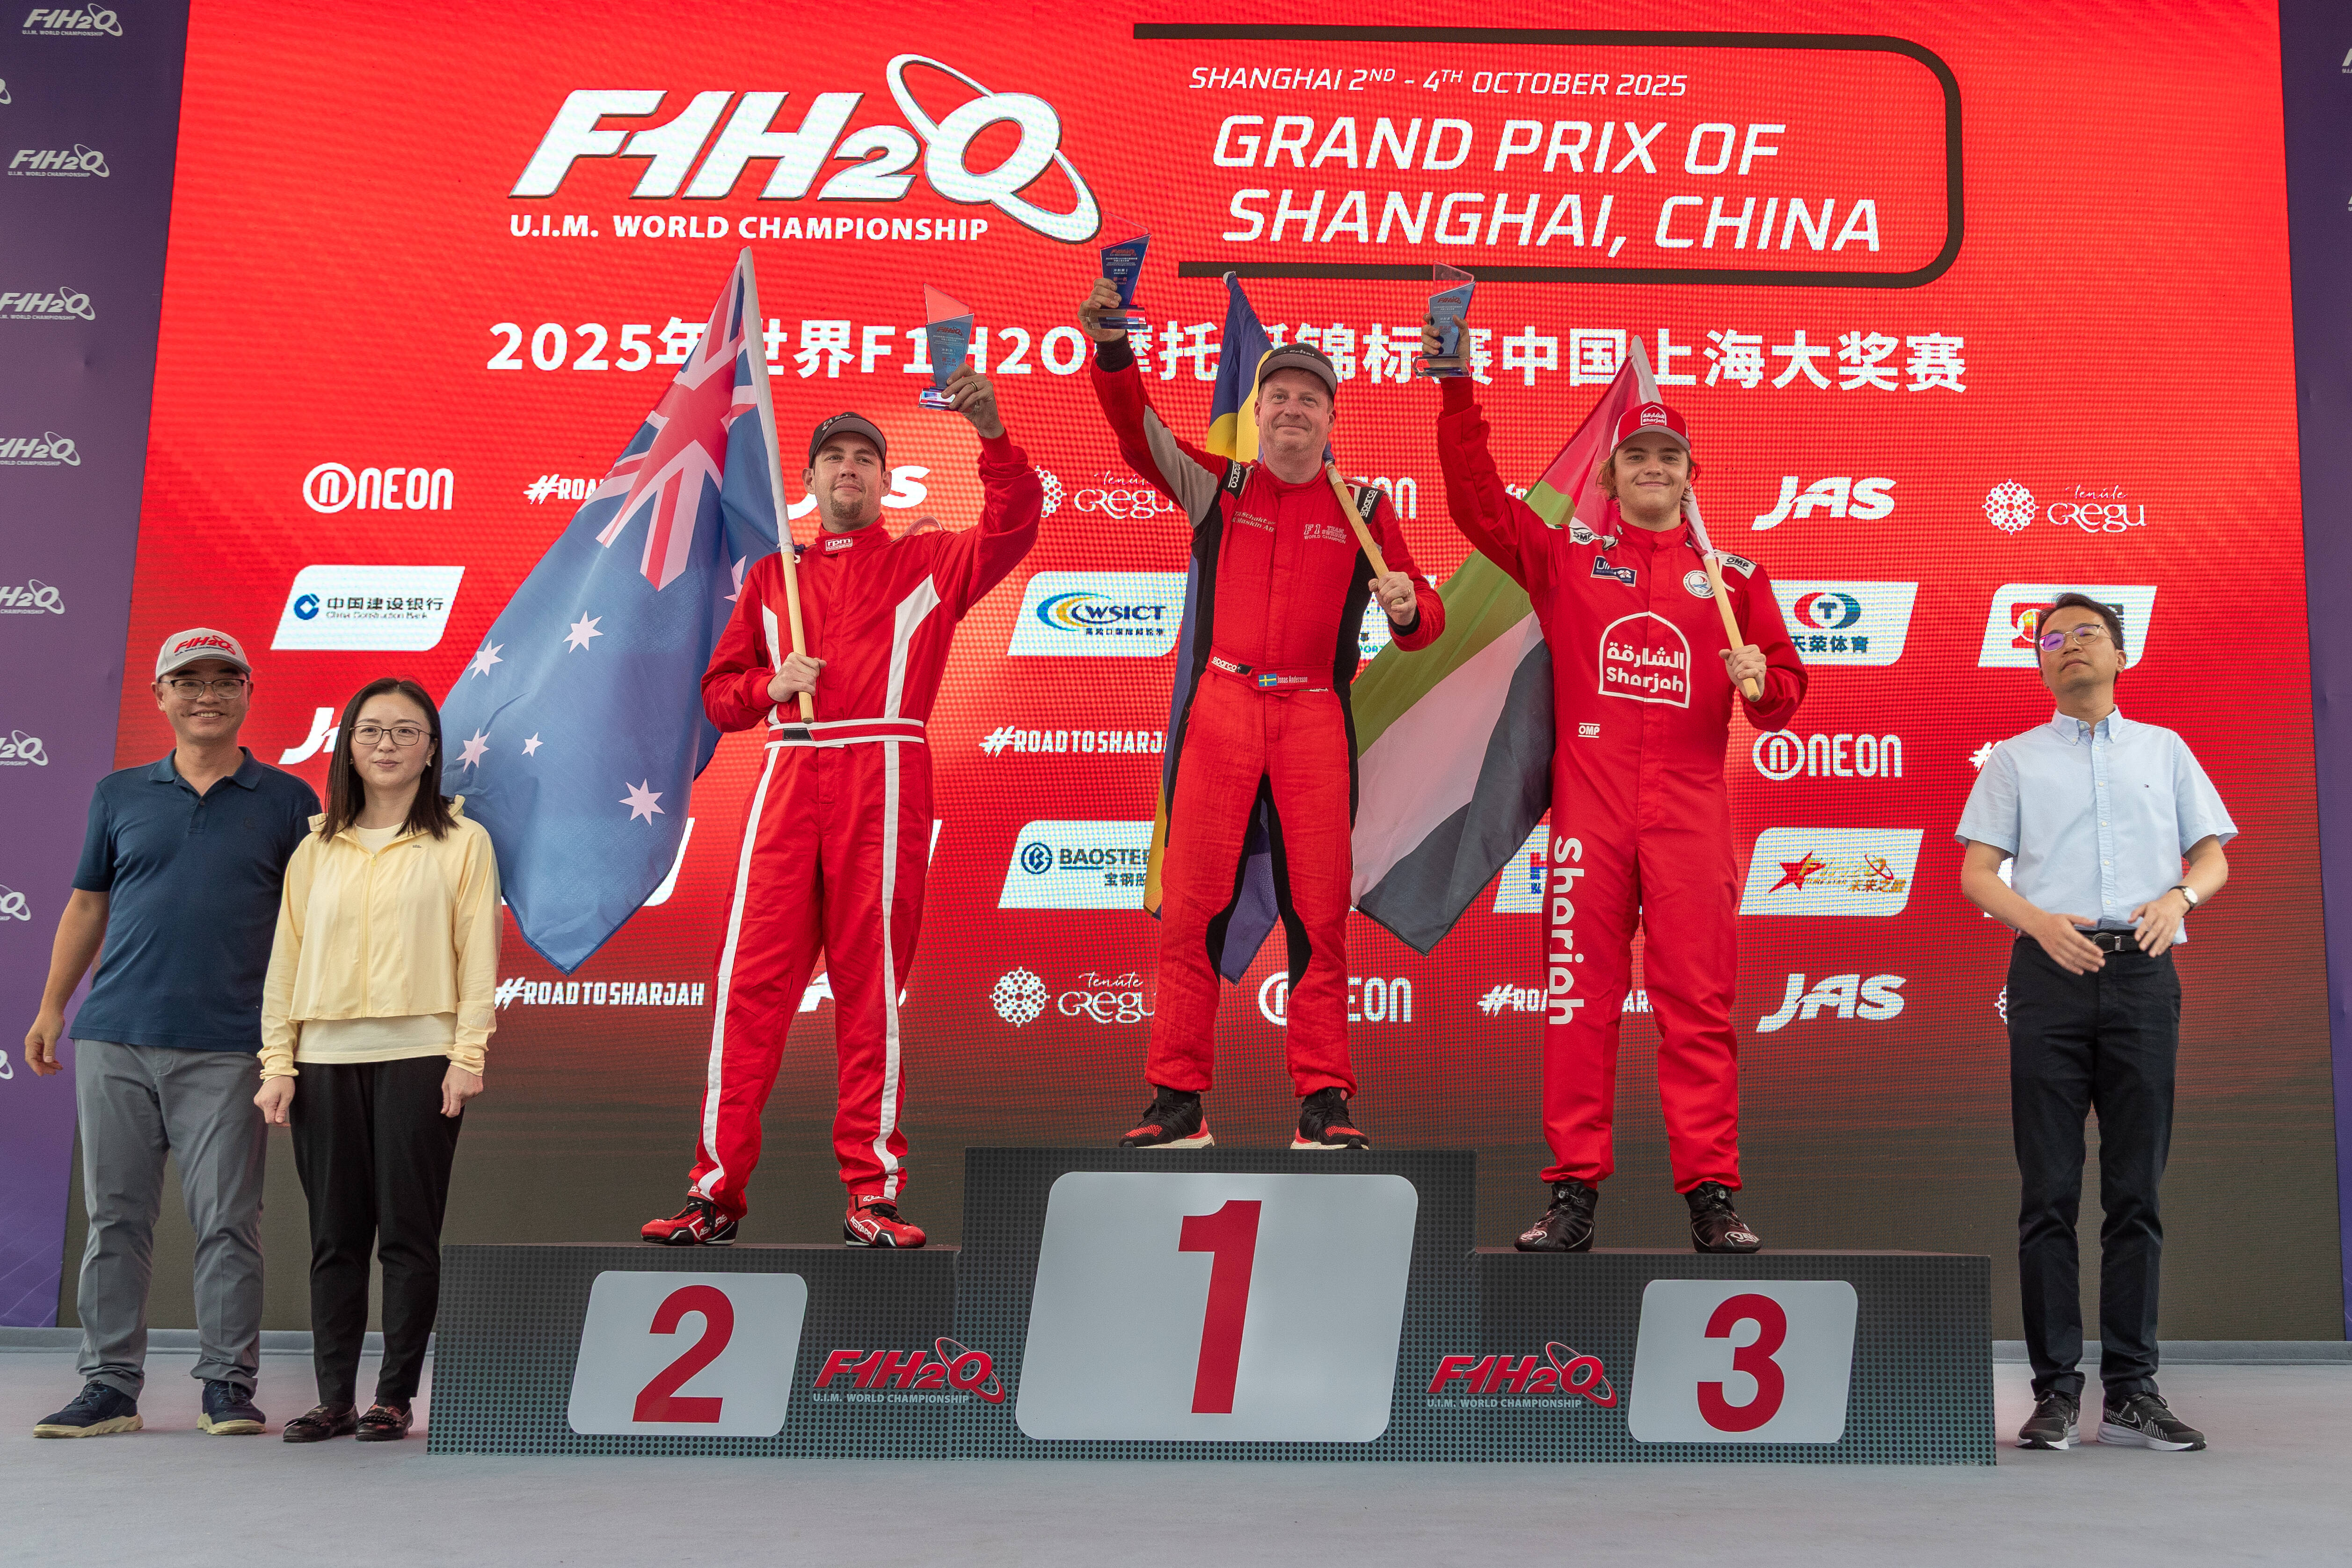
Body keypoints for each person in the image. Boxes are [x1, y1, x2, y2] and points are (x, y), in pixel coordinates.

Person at [643, 367, 1042, 1249]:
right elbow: (717, 698)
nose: (849, 469)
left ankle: (873, 1195)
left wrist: (992, 436)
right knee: (750, 991)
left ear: (887, 479)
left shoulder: (928, 563)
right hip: (790, 774)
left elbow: (1015, 523)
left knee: (871, 994)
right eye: (834, 458)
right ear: (812, 479)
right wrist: (768, 685)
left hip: (886, 775)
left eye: (865, 458)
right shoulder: (772, 577)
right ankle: (714, 1195)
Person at [1427, 332, 1806, 1253]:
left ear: (1690, 477)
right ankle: (1572, 1194)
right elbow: (1477, 504)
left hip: (1689, 818)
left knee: (1698, 1010)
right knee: (1577, 1007)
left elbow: (1782, 701)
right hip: (1590, 820)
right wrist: (1457, 390)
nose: (1652, 468)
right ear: (1611, 474)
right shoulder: (1568, 558)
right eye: (1636, 456)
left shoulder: (1735, 580)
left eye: (1668, 456)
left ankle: (1713, 1197)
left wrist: (1763, 682)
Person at [1079, 279, 1445, 1152]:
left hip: (1315, 714)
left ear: (1330, 421)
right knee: (1191, 905)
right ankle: (1177, 1100)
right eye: (1278, 396)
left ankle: (1323, 1101)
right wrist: (1113, 350)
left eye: (1309, 400)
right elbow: (1138, 433)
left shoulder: (1365, 509)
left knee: (1319, 914)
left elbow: (1424, 617)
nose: (1292, 410)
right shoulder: (1222, 485)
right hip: (1223, 707)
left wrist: (1406, 608)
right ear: (1258, 412)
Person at [24, 629, 318, 1438]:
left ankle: (227, 1384)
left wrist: (290, 1040)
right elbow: (88, 904)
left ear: (249, 692)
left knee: (229, 1224)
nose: (207, 695)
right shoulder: (118, 794)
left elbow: (311, 926)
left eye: (225, 680)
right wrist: (52, 1008)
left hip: (231, 1045)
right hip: (115, 1037)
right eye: (189, 681)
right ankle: (109, 1388)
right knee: (115, 1221)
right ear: (161, 697)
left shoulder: (290, 801)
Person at [1957, 592, 2232, 1453]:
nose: (2068, 645)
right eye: (2052, 638)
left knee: (2135, 1193)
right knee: (2047, 1193)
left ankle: (2132, 1391)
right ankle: (2053, 1392)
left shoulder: (2165, 749)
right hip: (2050, 974)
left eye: (2087, 634)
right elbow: (1978, 873)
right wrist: (2039, 924)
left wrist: (2178, 899)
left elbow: (2213, 856)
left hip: (2144, 975)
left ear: (2121, 655)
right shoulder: (2014, 759)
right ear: (2039, 663)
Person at [255, 678, 496, 1443]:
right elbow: (285, 962)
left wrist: (467, 1053)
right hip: (322, 1060)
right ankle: (333, 1400)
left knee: (407, 1237)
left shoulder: (463, 842)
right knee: (335, 1238)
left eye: (405, 731)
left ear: (431, 749)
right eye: (370, 731)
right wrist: (277, 1062)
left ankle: (394, 1397)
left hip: (422, 1056)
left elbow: (478, 956)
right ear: (348, 747)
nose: (386, 745)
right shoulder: (314, 849)